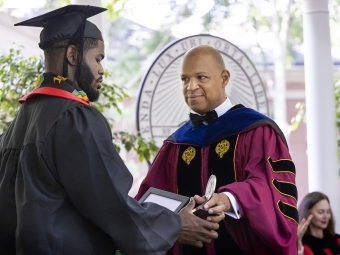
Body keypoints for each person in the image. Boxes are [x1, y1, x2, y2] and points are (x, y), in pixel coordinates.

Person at [0, 5, 220, 255]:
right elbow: (110, 205)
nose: (101, 69)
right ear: (73, 55)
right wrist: (175, 224)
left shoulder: (22, 118)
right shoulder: (73, 117)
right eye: (97, 59)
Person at [135, 45, 298, 255]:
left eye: (201, 77)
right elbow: (149, 202)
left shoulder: (258, 131)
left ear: (224, 78)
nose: (191, 86)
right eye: (185, 79)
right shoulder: (176, 144)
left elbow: (273, 192)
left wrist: (229, 200)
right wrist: (173, 225)